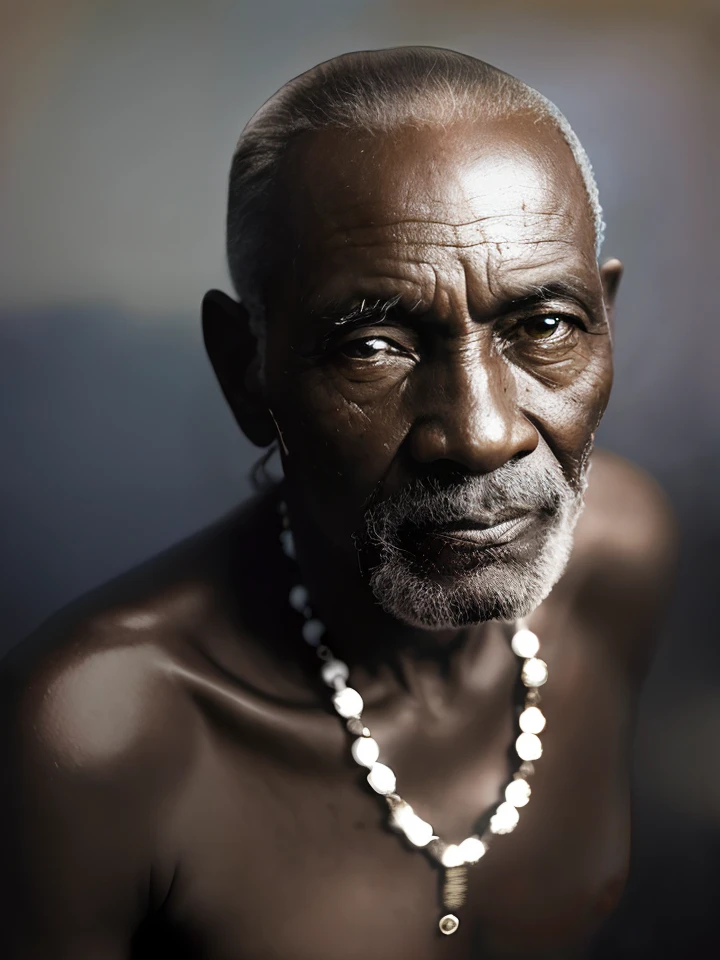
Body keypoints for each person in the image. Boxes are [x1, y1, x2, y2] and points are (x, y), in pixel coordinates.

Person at [0, 47, 676, 959]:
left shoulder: (621, 556)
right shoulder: (99, 740)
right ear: (247, 372)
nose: (480, 433)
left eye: (544, 326)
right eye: (375, 345)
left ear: (606, 320)